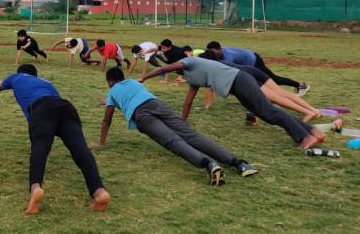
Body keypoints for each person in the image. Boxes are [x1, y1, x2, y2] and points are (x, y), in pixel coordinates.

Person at [95, 67, 258, 186]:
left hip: (142, 116)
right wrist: (109, 101)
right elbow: (126, 98)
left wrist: (101, 142)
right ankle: (239, 164)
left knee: (173, 141)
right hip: (157, 104)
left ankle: (209, 164)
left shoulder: (112, 91)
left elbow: (106, 120)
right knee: (192, 136)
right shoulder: (132, 82)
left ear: (109, 81)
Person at [0, 64, 110, 214]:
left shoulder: (16, 77)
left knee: (40, 147)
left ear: (20, 72)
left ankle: (35, 187)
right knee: (80, 149)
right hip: (66, 107)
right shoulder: (46, 82)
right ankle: (99, 192)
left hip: (42, 109)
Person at [138, 56, 325, 151]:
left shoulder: (188, 62)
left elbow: (168, 67)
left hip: (239, 79)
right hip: (236, 87)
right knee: (264, 112)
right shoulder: (191, 77)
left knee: (268, 111)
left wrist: (144, 77)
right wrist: (181, 122)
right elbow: (188, 102)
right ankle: (312, 131)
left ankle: (303, 137)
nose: (177, 72)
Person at [198, 51, 322, 122]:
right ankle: (313, 110)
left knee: (276, 98)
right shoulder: (219, 63)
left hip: (248, 76)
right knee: (282, 93)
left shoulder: (212, 68)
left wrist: (207, 107)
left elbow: (210, 89)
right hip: (253, 70)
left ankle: (307, 112)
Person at [206, 41, 310, 96]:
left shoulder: (228, 57)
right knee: (259, 82)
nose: (212, 54)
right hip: (249, 60)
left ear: (219, 50)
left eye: (213, 52)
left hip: (254, 60)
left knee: (272, 80)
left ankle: (300, 86)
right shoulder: (219, 53)